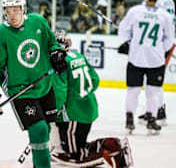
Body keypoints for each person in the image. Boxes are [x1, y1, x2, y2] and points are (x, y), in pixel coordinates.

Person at [0, 0, 67, 168]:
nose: (12, 14)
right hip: (20, 89)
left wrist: (56, 53)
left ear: (24, 9)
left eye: (16, 10)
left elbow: (51, 42)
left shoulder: (38, 21)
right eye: (8, 10)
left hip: (44, 85)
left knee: (46, 130)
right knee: (39, 129)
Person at [49, 30, 133, 168]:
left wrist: (55, 109)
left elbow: (60, 91)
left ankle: (113, 151)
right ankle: (114, 144)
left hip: (74, 114)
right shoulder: (78, 56)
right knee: (80, 143)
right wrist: (82, 94)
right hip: (88, 107)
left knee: (75, 154)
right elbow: (95, 80)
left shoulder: (59, 63)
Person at [118, 0, 174, 134]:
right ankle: (151, 119)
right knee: (153, 91)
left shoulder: (135, 11)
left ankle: (129, 119)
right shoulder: (165, 16)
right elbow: (169, 38)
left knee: (133, 90)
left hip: (136, 58)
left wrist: (128, 43)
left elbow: (123, 30)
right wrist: (160, 50)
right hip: (156, 60)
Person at [138, 0, 175, 126]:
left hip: (157, 45)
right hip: (165, 42)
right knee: (151, 78)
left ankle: (159, 110)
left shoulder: (154, 1)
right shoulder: (168, 0)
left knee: (152, 79)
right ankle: (155, 110)